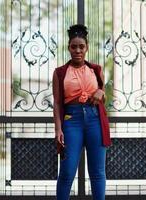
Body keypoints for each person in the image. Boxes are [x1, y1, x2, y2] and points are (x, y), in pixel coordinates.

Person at [52, 24, 111, 200]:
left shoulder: (96, 69)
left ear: (87, 48)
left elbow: (103, 97)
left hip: (95, 120)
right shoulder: (60, 73)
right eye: (74, 46)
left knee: (98, 172)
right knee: (67, 171)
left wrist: (101, 92)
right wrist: (58, 129)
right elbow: (56, 103)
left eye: (81, 46)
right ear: (69, 48)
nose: (78, 50)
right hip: (72, 121)